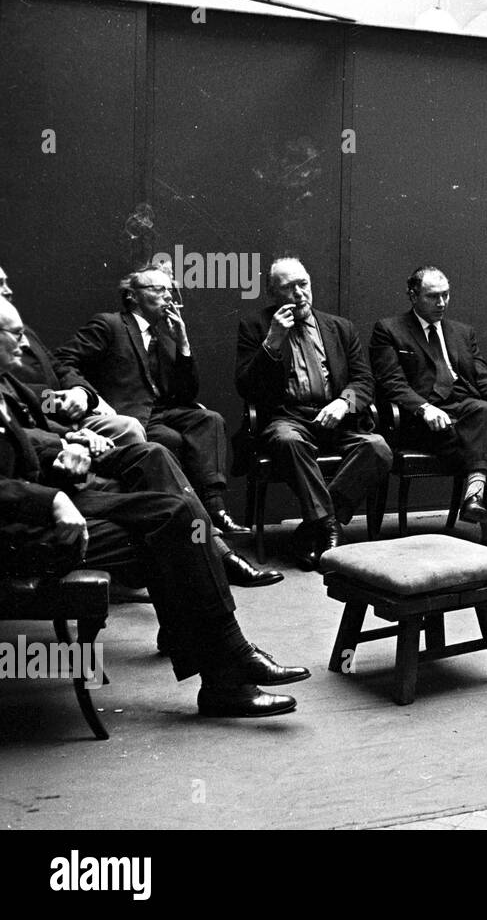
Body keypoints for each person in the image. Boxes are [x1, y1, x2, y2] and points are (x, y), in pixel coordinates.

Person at [0, 296, 306, 717]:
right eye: (13, 335)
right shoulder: (102, 328)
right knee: (174, 533)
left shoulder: (7, 379)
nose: (24, 343)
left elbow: (27, 428)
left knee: (174, 511)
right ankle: (227, 670)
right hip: (21, 530)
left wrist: (69, 440)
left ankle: (226, 662)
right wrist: (49, 497)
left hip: (45, 500)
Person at [54, 266, 246, 534]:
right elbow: (63, 360)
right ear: (133, 296)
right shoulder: (109, 324)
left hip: (165, 411)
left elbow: (186, 395)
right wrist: (90, 397)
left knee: (210, 419)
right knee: (172, 440)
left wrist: (183, 344)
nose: (168, 296)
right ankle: (193, 524)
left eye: (170, 289)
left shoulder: (166, 336)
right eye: (159, 289)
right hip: (131, 417)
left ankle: (215, 509)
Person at [235, 257, 393, 570]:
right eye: (288, 288)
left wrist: (343, 402)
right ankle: (330, 527)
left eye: (303, 284)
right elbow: (246, 387)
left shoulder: (339, 327)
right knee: (288, 441)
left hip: (335, 418)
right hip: (287, 418)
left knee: (378, 448)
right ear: (272, 294)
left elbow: (363, 379)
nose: (298, 294)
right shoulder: (255, 326)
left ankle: (310, 529)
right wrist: (272, 341)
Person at [370, 266, 487, 564]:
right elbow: (391, 382)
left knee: (484, 408)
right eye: (433, 297)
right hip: (422, 421)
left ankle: (475, 493)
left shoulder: (462, 332)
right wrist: (424, 408)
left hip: (464, 411)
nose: (441, 303)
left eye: (446, 295)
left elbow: (481, 374)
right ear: (413, 296)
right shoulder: (389, 330)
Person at [0, 264, 146, 445]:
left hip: (66, 416)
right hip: (34, 423)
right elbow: (12, 394)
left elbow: (59, 367)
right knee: (129, 430)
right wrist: (59, 401)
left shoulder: (24, 331)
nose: (8, 291)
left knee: (129, 428)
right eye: (0, 284)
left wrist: (82, 393)